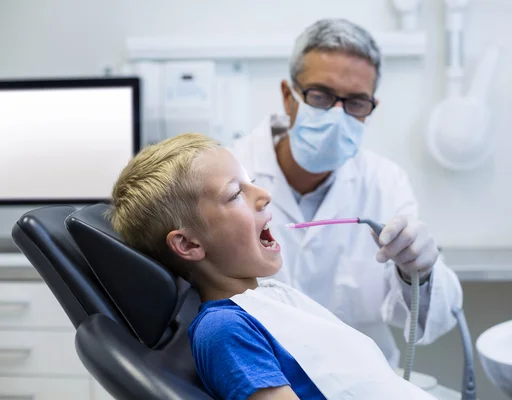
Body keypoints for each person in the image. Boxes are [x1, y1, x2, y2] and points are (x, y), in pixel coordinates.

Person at [108, 133, 436, 400]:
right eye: (236, 193)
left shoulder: (267, 299)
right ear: (189, 244)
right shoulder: (223, 329)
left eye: (251, 181)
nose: (264, 194)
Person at [228, 18, 463, 366]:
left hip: (361, 383)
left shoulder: (385, 183)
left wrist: (420, 271)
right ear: (288, 96)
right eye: (321, 96)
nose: (338, 115)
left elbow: (430, 320)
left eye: (355, 102)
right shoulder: (230, 175)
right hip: (261, 380)